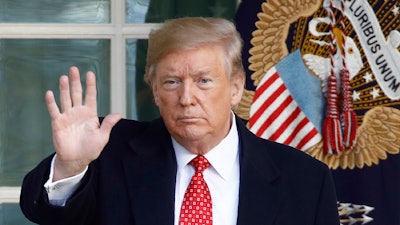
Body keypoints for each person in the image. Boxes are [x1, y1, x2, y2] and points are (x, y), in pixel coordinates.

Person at [20, 17, 340, 225]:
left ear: (236, 88)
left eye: (203, 81)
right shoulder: (107, 152)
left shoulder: (306, 181)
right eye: (172, 82)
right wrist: (71, 168)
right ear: (155, 91)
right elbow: (41, 211)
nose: (186, 98)